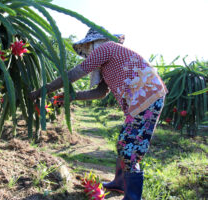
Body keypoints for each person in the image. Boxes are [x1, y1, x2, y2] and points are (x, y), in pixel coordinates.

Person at [29, 28, 168, 200]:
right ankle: (120, 182)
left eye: (88, 46)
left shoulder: (107, 47)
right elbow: (100, 92)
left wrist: (42, 90)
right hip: (140, 99)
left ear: (95, 42)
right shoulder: (108, 62)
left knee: (130, 148)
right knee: (124, 142)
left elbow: (74, 74)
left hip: (147, 95)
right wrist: (71, 97)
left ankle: (133, 196)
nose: (88, 51)